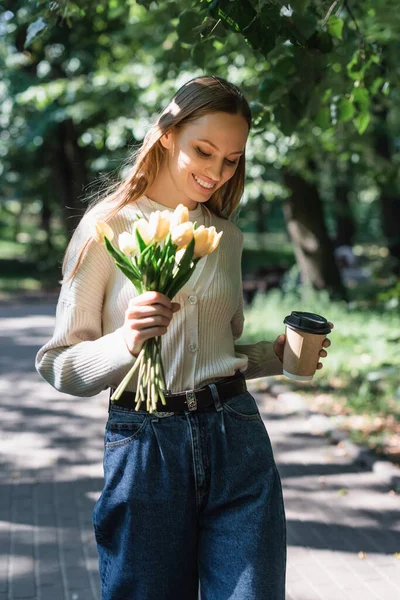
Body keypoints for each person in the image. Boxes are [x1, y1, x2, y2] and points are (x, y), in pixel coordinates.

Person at [36, 75, 332, 600]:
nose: (217, 172)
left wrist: (276, 355)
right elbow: (58, 364)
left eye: (232, 159)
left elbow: (216, 352)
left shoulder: (225, 239)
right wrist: (125, 340)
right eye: (204, 150)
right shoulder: (107, 228)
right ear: (167, 133)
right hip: (145, 448)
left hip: (236, 436)